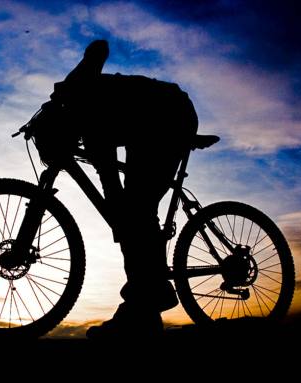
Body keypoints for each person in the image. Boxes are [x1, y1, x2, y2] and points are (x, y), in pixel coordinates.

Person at [48, 40, 198, 339]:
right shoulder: (86, 99)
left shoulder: (86, 102)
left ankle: (146, 300)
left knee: (135, 209)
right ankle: (145, 307)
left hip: (169, 117)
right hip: (154, 122)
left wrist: (120, 219)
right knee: (133, 212)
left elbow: (108, 175)